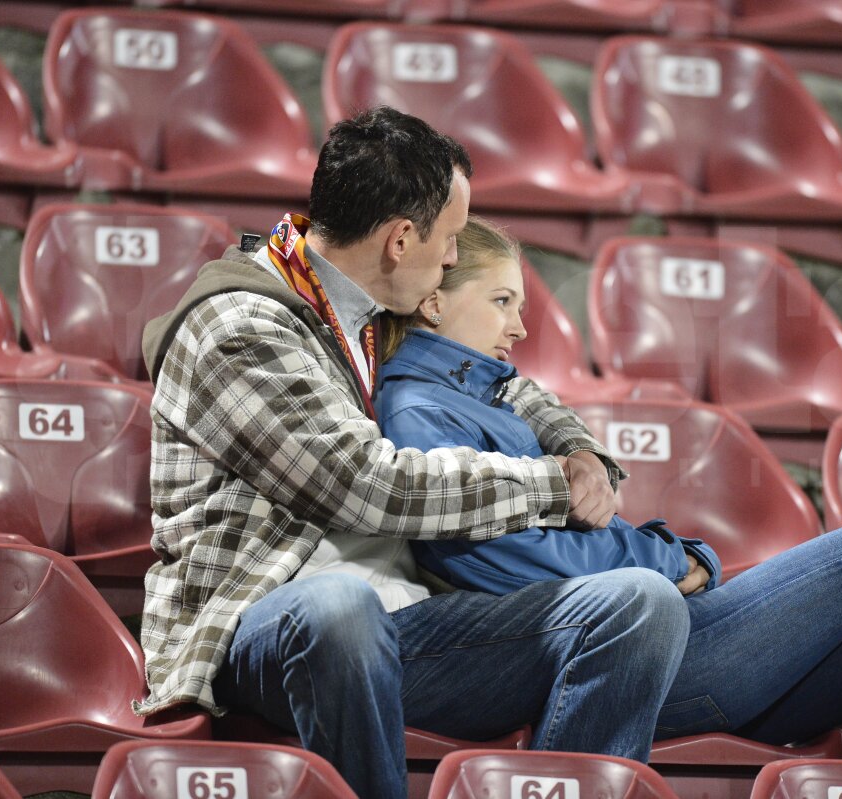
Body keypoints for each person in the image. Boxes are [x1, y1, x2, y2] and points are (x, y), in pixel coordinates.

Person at [376, 216, 842, 799]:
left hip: (669, 633)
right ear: (434, 301)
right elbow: (513, 563)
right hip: (640, 652)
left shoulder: (486, 398)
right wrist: (670, 554)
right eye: (502, 301)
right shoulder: (417, 410)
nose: (520, 328)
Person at [135, 106, 691, 799]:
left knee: (638, 601)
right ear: (401, 239)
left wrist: (576, 446)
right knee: (337, 606)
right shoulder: (239, 326)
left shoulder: (374, 301)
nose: (454, 257)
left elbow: (505, 385)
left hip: (406, 618)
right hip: (260, 624)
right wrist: (551, 485)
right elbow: (366, 486)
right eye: (451, 238)